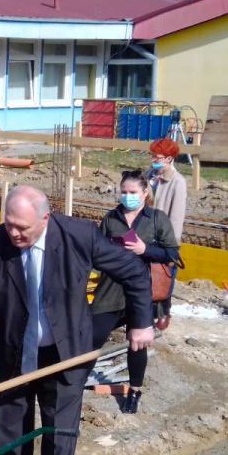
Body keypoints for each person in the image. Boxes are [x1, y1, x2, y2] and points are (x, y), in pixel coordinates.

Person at [0, 185, 155, 455]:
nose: (14, 233)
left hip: (67, 351)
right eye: (9, 225)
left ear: (45, 218)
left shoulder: (79, 236)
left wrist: (141, 322)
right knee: (11, 420)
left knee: (58, 431)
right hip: (15, 349)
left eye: (23, 227)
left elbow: (133, 271)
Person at [93, 171, 181, 415]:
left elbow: (172, 254)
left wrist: (145, 249)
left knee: (137, 343)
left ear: (144, 193)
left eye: (133, 192)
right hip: (110, 290)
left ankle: (134, 391)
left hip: (141, 293)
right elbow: (96, 252)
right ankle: (75, 383)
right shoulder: (111, 219)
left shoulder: (156, 219)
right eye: (124, 192)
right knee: (92, 336)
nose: (127, 196)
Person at [149, 137, 187, 331]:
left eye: (159, 157)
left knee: (164, 276)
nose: (154, 160)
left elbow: (176, 217)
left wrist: (171, 246)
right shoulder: (151, 177)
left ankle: (164, 312)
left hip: (164, 238)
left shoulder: (177, 183)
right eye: (153, 156)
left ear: (170, 159)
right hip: (146, 235)